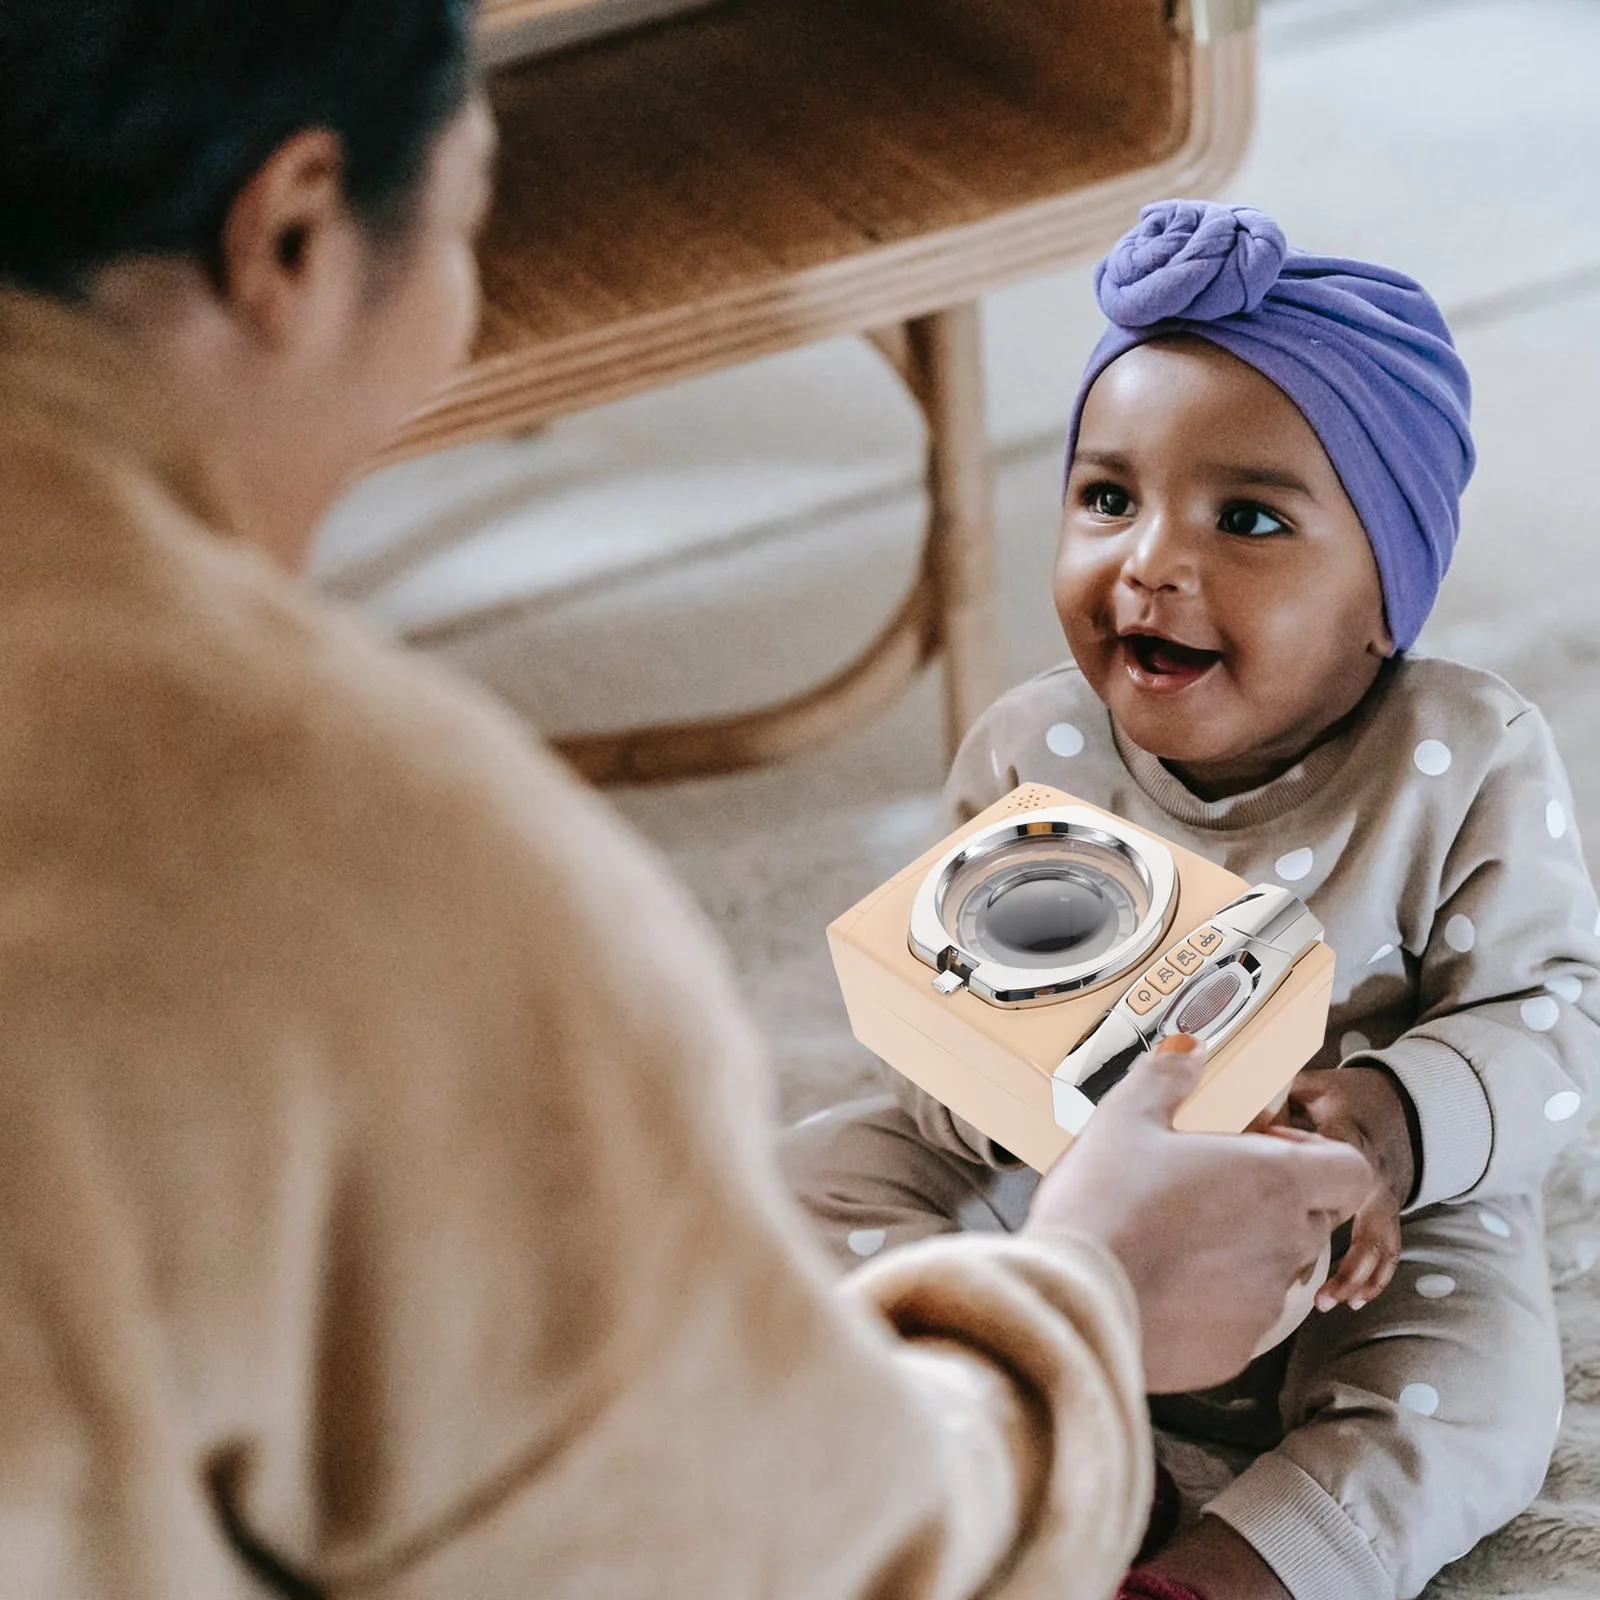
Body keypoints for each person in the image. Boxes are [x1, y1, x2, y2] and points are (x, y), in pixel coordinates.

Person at [0, 11, 1375, 1600]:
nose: (1148, 565)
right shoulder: (376, 870)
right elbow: (785, 1560)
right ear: (294, 231)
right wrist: (1086, 1302)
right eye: (473, 220)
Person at [784, 199, 1600, 1600]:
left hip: (1360, 1239)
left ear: (1384, 597)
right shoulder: (1033, 749)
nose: (1151, 559)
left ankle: (1230, 1566)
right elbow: (933, 1009)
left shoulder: (1462, 757)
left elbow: (1563, 1018)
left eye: (1246, 519)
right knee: (810, 1184)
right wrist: (1008, 1101)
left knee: (1482, 1394)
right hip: (1068, 1209)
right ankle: (1077, 1455)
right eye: (1108, 498)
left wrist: (1402, 1124)